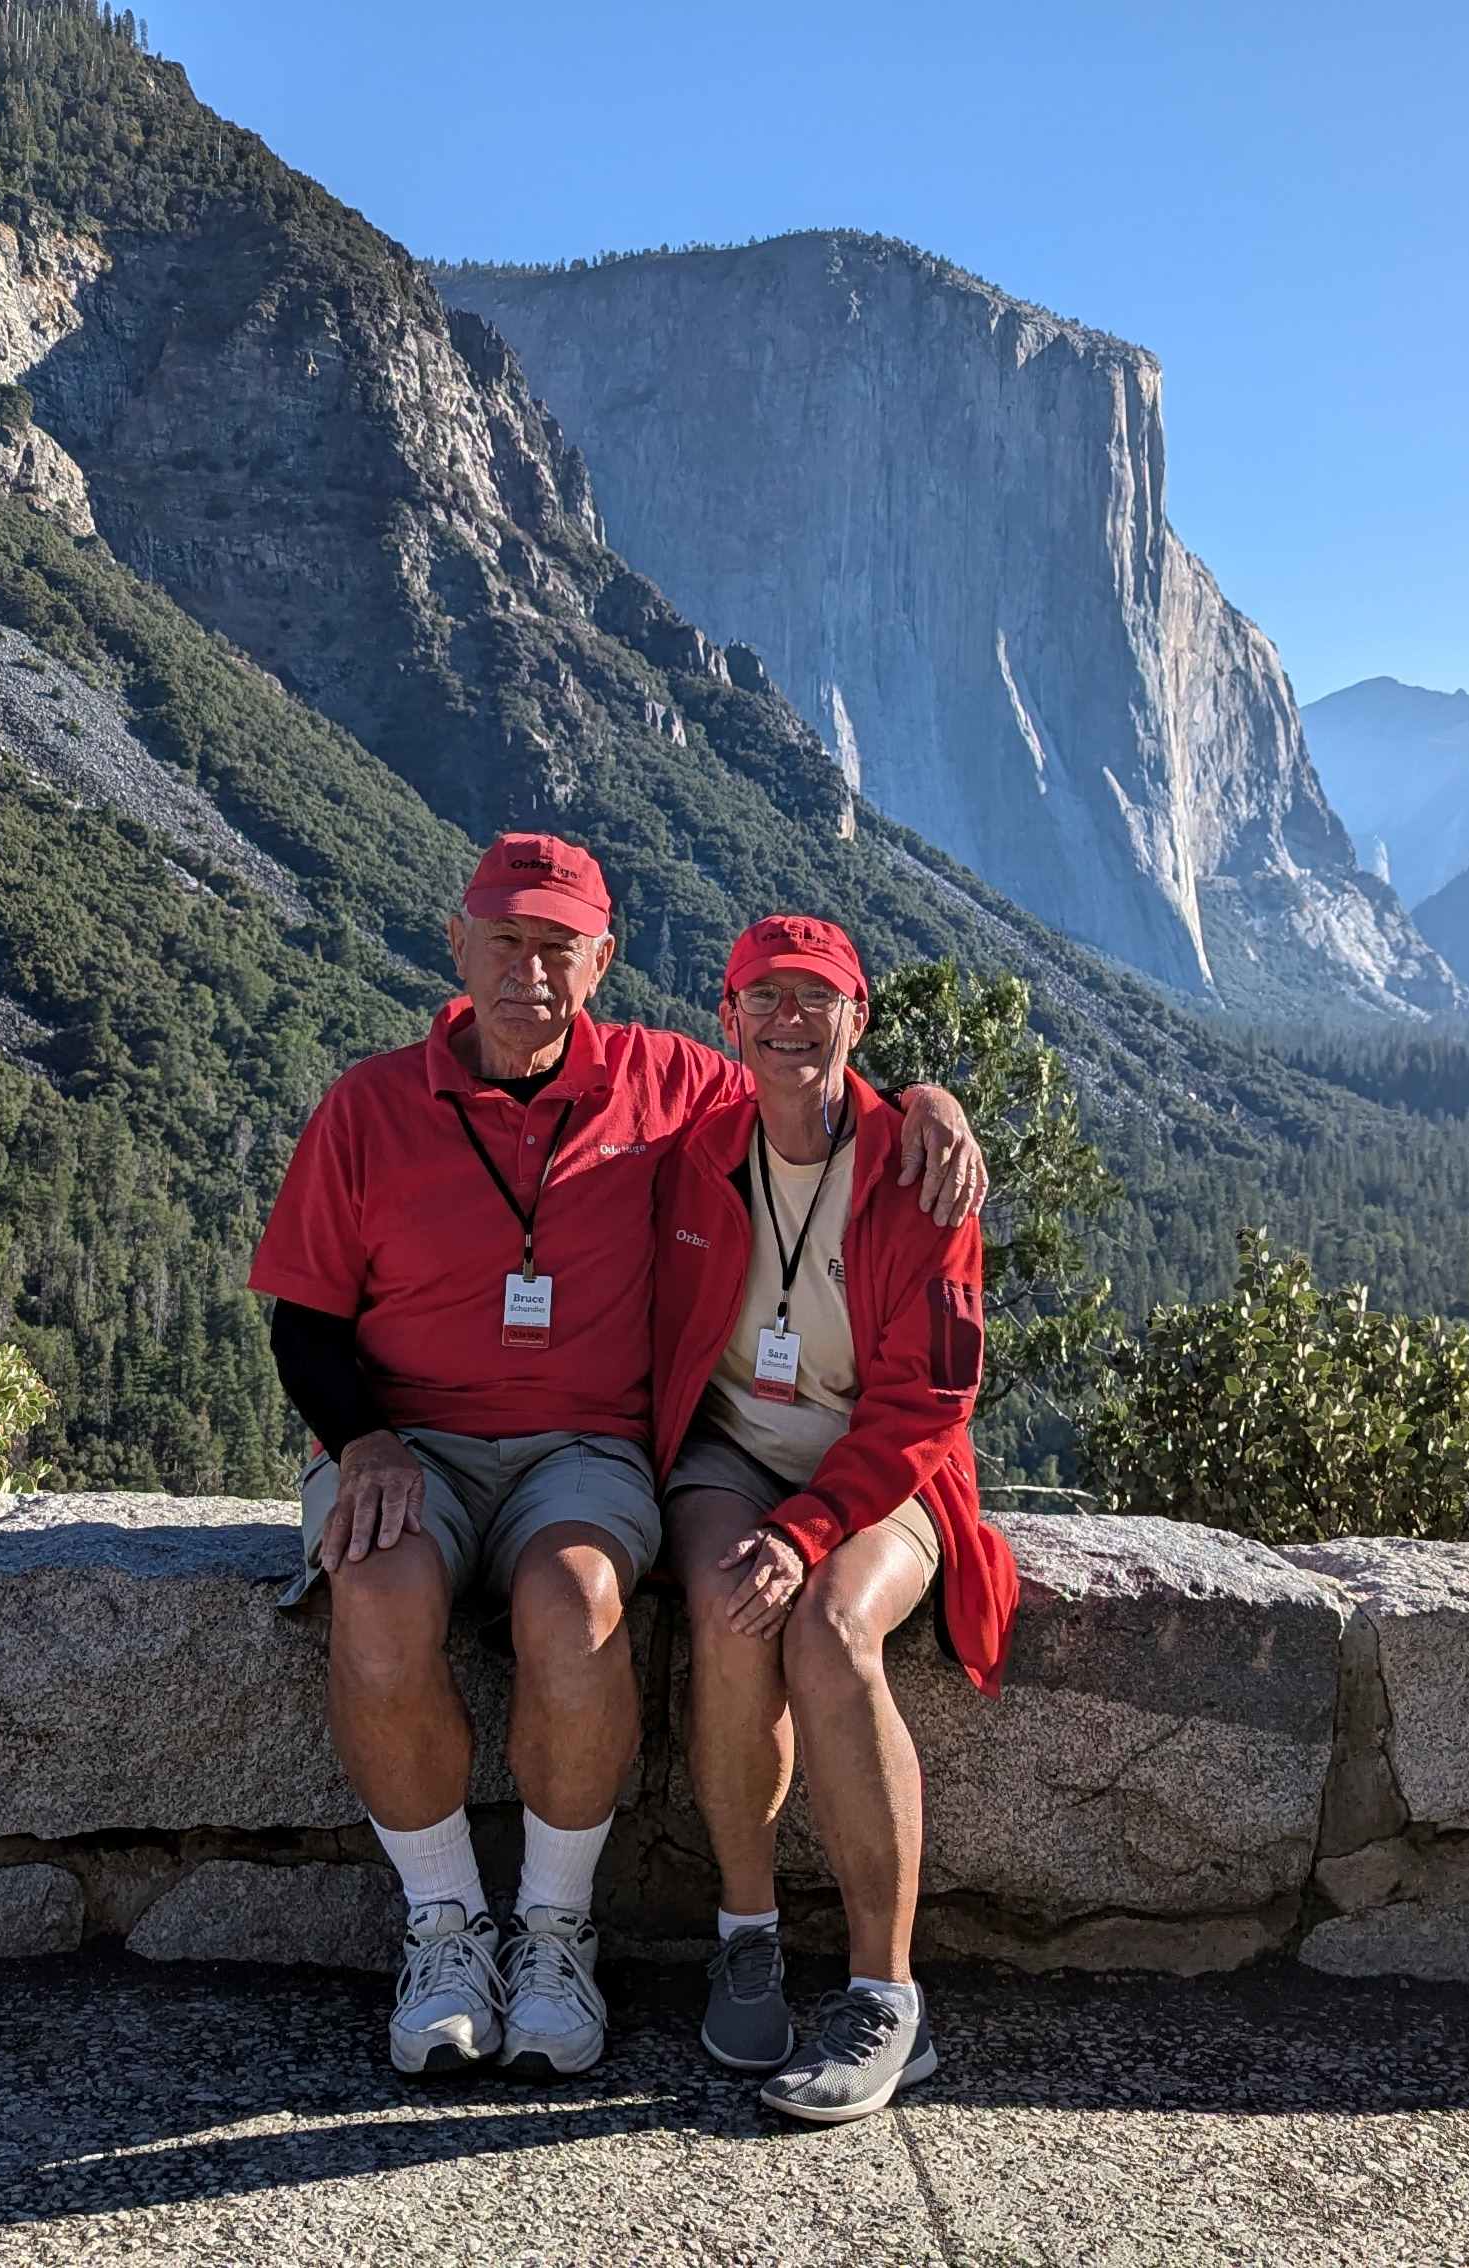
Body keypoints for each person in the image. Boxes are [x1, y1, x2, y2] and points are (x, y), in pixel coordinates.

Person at [250, 836, 988, 2081]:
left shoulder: (670, 1084)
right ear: (458, 945)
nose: (530, 973)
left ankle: (553, 1930)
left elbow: (807, 1087)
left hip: (583, 1451)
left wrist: (930, 1104)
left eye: (558, 947)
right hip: (404, 1441)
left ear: (602, 960)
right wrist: (362, 1440)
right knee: (376, 1590)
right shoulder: (368, 1108)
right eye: (506, 941)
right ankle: (444, 1929)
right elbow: (304, 1321)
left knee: (582, 1599)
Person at [650, 914, 1018, 2125]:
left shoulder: (920, 1170)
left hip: (882, 1474)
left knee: (830, 1634)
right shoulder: (697, 1147)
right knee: (728, 1605)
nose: (790, 1020)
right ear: (729, 1022)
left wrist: (812, 1531)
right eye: (766, 997)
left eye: (818, 999)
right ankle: (746, 1934)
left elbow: (931, 1401)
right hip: (731, 1459)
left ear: (858, 1019)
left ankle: (884, 1998)